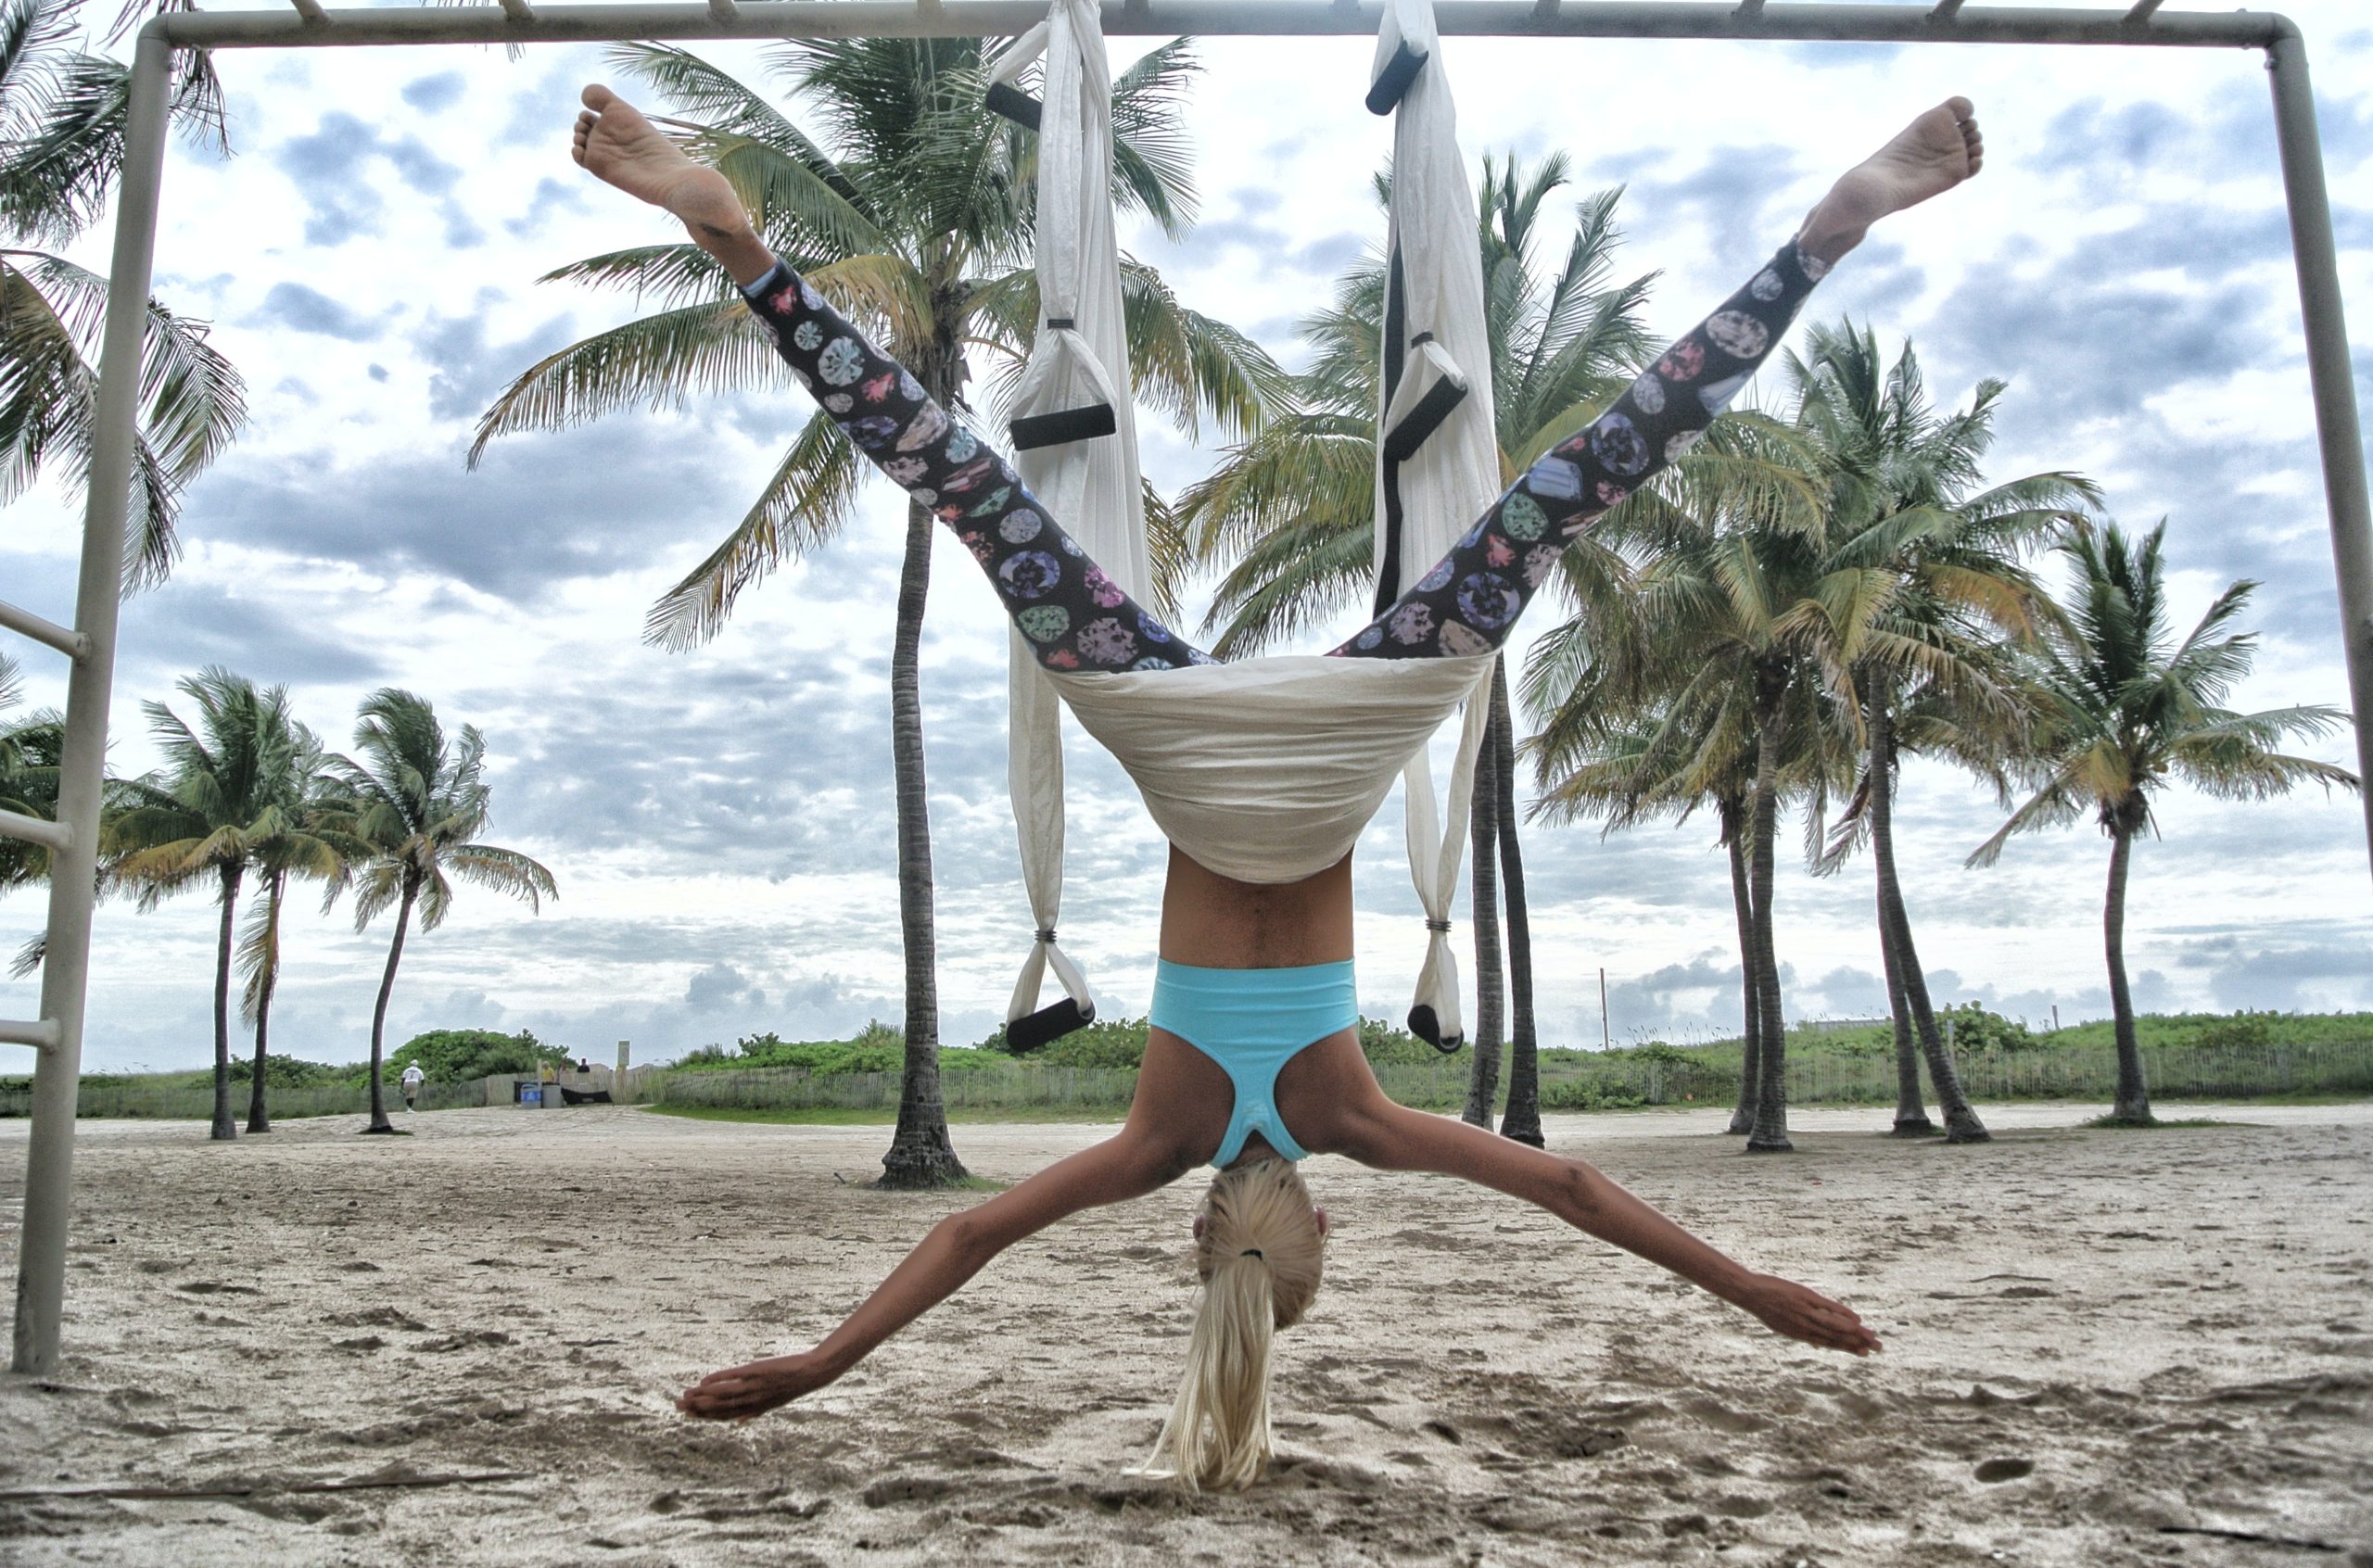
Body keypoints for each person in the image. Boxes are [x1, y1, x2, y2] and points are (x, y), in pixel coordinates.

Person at [573, 83, 1980, 1486]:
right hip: (1170, 733)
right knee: (961, 482)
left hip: (1353, 738)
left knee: (1578, 484)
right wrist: (822, 1360)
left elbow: (1574, 1190)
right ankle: (748, 253)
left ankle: (1830, 231)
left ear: (1322, 1218)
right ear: (1201, 1236)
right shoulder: (1157, 1139)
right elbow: (967, 1238)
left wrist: (1758, 1294)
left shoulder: (1354, 1120)